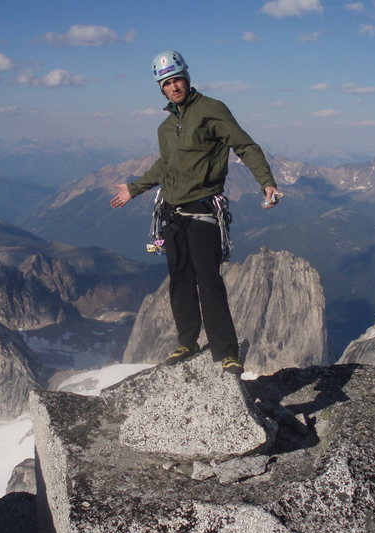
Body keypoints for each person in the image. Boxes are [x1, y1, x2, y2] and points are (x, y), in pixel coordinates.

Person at [111, 50, 280, 375]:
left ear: (187, 78)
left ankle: (227, 353)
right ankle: (187, 342)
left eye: (177, 80)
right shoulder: (166, 127)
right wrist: (134, 188)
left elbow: (244, 145)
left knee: (209, 281)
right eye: (167, 83)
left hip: (203, 210)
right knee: (180, 280)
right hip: (172, 215)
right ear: (161, 88)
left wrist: (266, 182)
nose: (174, 87)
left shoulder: (211, 110)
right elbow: (165, 164)